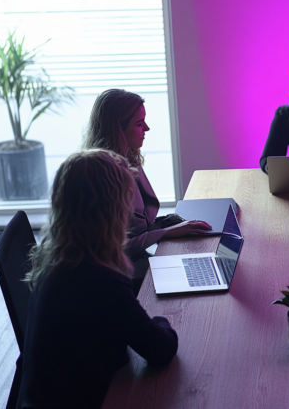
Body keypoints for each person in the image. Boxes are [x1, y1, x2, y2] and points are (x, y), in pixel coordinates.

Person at [17, 149, 179, 409]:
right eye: (125, 203)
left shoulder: (55, 258)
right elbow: (161, 349)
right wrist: (162, 319)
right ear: (110, 210)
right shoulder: (100, 281)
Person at [82, 89, 210, 292]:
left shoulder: (128, 159)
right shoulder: (103, 177)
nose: (147, 128)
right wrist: (166, 233)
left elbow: (138, 224)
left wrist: (170, 224)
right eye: (139, 124)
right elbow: (114, 247)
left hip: (136, 259)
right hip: (119, 273)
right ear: (117, 129)